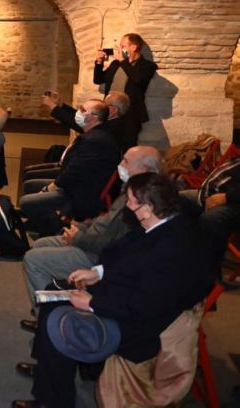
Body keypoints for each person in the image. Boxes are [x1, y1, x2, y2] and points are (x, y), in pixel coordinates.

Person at [12, 173, 214, 408]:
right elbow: (124, 256)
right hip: (125, 295)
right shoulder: (161, 222)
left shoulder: (171, 251)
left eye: (130, 200)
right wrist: (98, 273)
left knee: (61, 321)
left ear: (146, 209)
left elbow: (142, 307)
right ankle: (50, 370)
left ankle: (52, 400)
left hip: (138, 325)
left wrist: (91, 304)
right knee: (53, 292)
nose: (126, 204)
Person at [20, 146, 163, 328]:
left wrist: (77, 238)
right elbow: (105, 218)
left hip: (97, 254)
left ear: (142, 170)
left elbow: (114, 246)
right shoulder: (133, 187)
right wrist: (80, 227)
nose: (120, 164)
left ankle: (48, 322)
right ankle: (51, 304)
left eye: (126, 161)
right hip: (90, 239)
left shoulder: (143, 203)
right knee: (40, 244)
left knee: (33, 260)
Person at [19, 99, 120, 237]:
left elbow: (74, 171)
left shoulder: (94, 140)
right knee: (29, 185)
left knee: (25, 202)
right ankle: (44, 222)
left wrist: (49, 188)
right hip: (76, 184)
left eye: (83, 110)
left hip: (81, 194)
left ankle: (56, 229)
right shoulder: (96, 131)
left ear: (93, 118)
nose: (79, 113)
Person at [179, 154, 240, 264]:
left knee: (210, 218)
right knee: (175, 199)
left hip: (233, 202)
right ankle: (176, 253)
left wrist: (226, 197)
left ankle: (207, 267)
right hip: (217, 193)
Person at [42, 90, 139, 156]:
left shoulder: (112, 127)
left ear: (114, 110)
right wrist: (60, 105)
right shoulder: (111, 120)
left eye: (106, 104)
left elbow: (79, 124)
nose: (102, 106)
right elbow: (80, 117)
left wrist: (52, 106)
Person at [93, 33, 158, 127]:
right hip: (109, 112)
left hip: (130, 115)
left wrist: (123, 61)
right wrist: (99, 62)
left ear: (133, 48)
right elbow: (98, 80)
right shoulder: (116, 64)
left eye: (123, 46)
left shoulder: (147, 66)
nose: (119, 49)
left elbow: (138, 79)